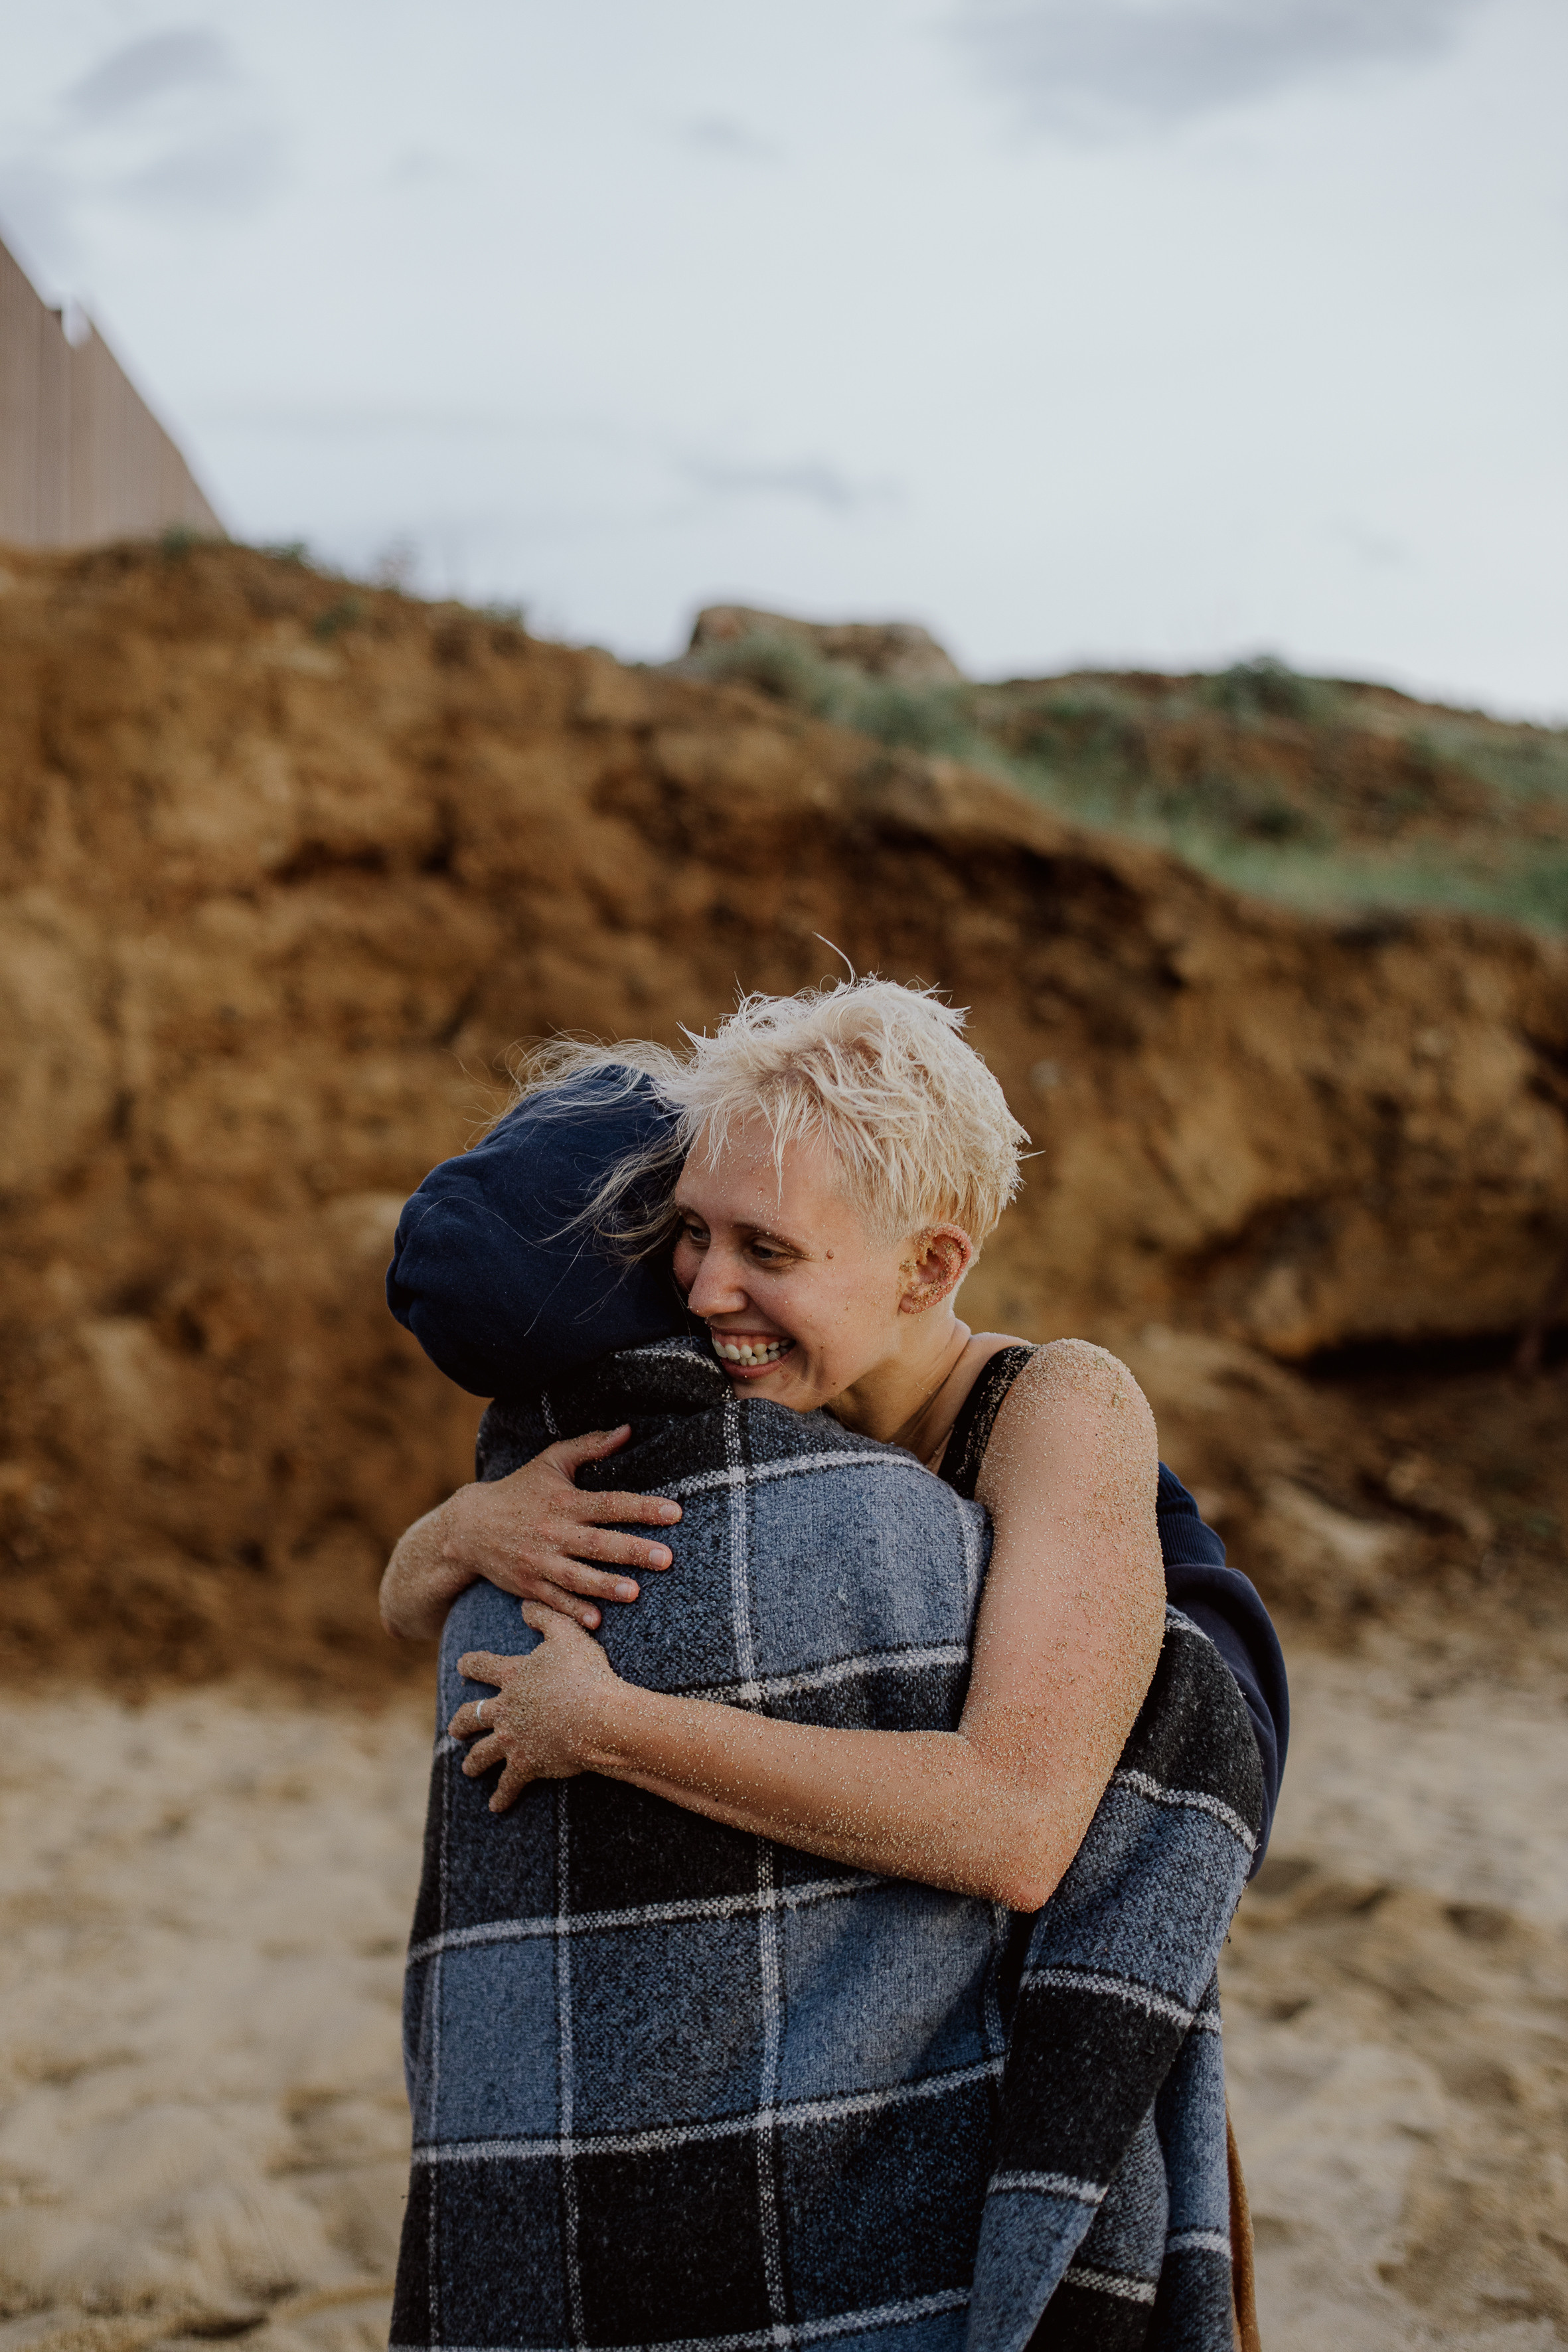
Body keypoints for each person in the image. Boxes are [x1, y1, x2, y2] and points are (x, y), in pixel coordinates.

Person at [382, 980, 1282, 2349]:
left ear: (925, 1268)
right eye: (691, 1232)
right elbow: (398, 1606)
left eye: (766, 1249)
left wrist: (613, 1725)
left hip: (1154, 1779)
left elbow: (1018, 1823)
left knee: (1141, 2130)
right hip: (975, 1771)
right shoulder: (779, 1401)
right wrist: (468, 1524)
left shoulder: (1061, 1406)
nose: (703, 1288)